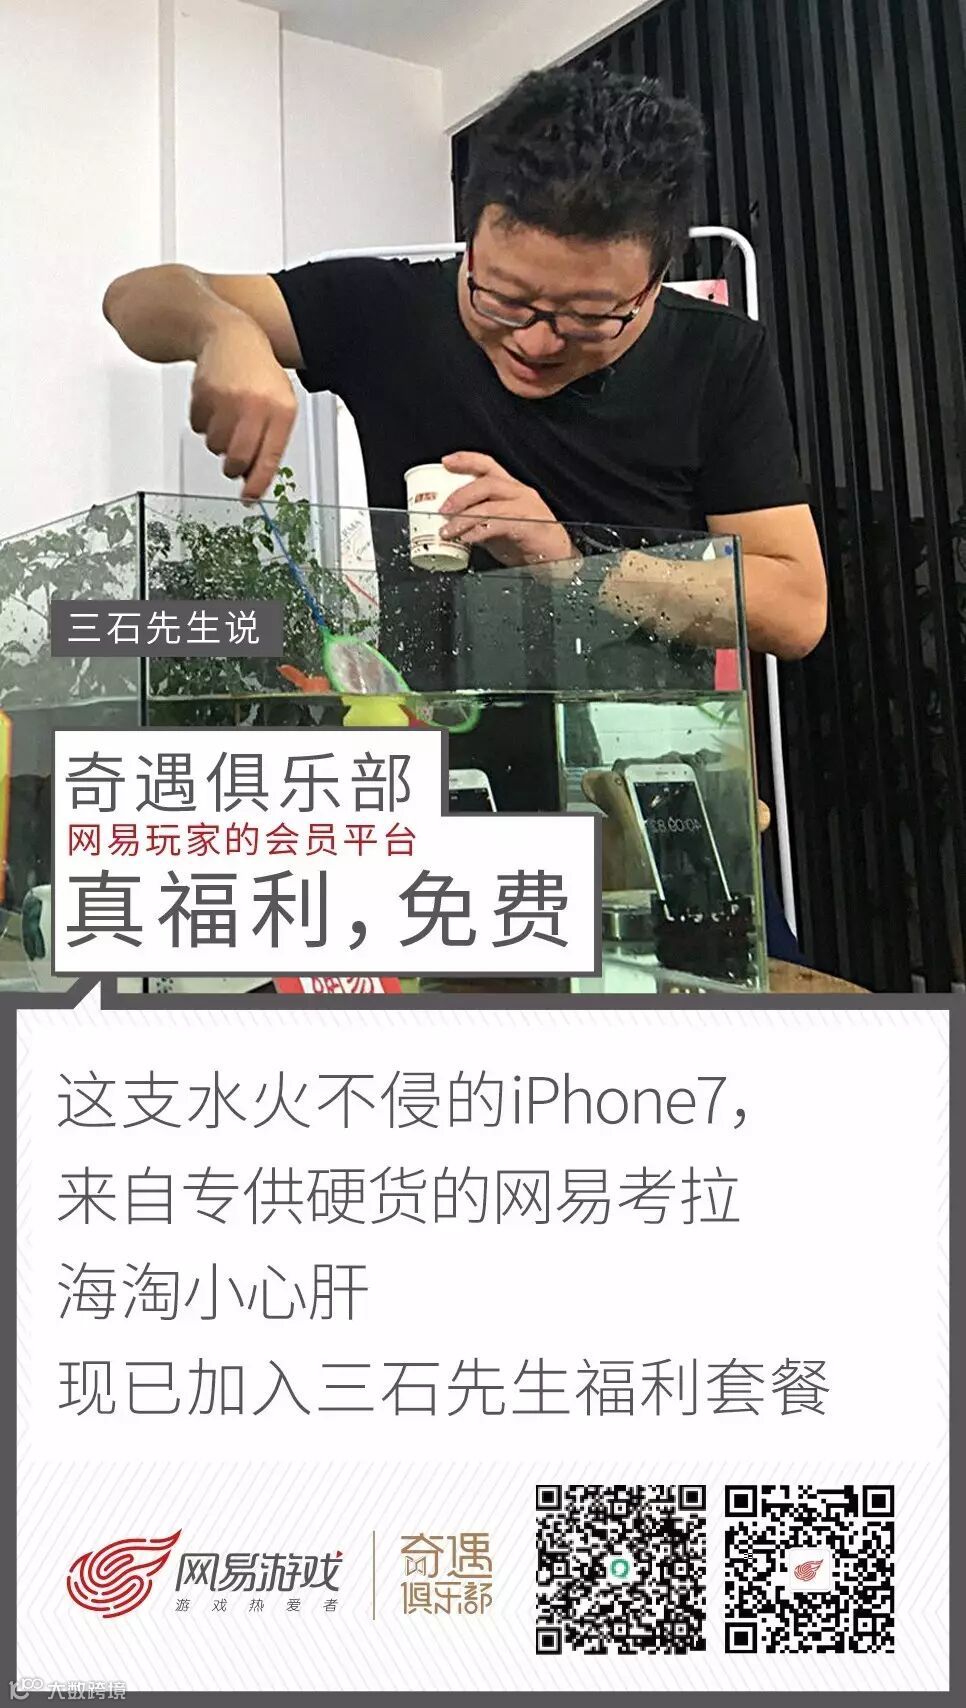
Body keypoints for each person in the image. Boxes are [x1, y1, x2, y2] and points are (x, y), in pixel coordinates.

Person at [103, 65, 826, 954]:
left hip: (651, 811)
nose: (536, 340)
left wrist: (575, 564)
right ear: (472, 238)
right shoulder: (385, 312)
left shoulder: (717, 358)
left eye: (589, 317)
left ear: (654, 281)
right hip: (444, 805)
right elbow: (138, 297)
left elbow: (796, 609)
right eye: (505, 299)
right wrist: (226, 329)